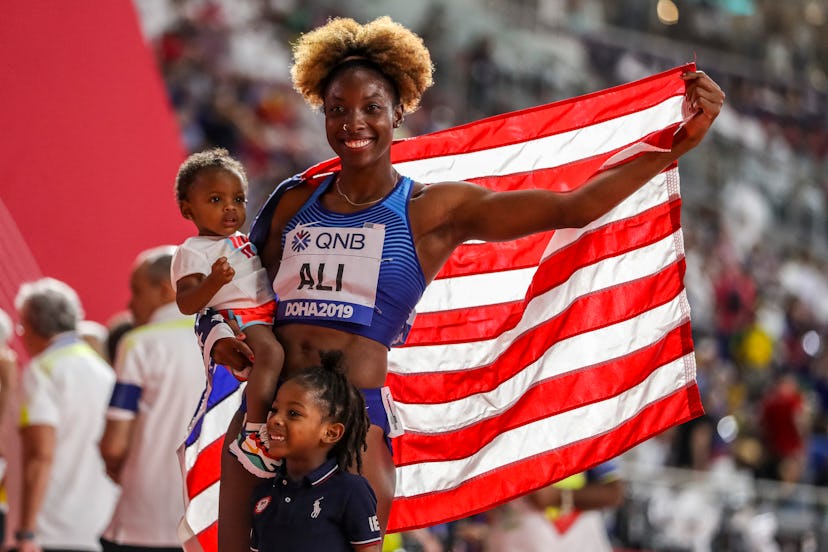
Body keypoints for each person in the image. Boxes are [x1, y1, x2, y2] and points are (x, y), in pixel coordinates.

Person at [202, 15, 725, 549]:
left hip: (353, 419)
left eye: (371, 108)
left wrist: (673, 146)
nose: (352, 122)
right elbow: (236, 294)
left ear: (400, 111)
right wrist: (220, 337)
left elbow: (575, 206)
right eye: (337, 110)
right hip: (269, 420)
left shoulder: (432, 210)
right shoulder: (294, 201)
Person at [171, 148, 285, 477]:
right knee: (272, 355)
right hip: (242, 316)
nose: (231, 208)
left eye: (238, 198)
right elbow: (187, 302)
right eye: (216, 200)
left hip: (268, 310)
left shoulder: (243, 240)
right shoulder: (192, 251)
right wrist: (213, 281)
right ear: (187, 209)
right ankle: (254, 431)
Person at [98, 246, 204, 552]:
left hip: (142, 520)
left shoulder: (138, 343)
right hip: (209, 520)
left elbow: (115, 443)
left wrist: (111, 461)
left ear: (164, 290)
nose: (130, 304)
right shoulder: (231, 339)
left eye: (136, 291)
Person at [14, 278, 118, 551]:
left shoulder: (42, 370)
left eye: (22, 326)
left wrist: (25, 532)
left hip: (50, 527)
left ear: (33, 325)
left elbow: (40, 454)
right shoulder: (103, 370)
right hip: (100, 520)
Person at [249, 350, 381, 551]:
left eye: (293, 413)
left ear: (331, 433)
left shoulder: (351, 491)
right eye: (274, 410)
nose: (274, 419)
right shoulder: (264, 493)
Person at [481, 461, 625, 551]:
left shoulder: (586, 429)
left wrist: (559, 496)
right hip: (516, 537)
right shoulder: (510, 428)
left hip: (576, 538)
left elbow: (614, 493)